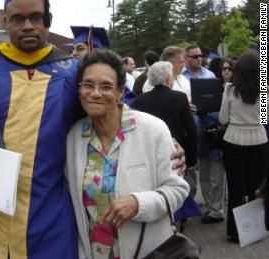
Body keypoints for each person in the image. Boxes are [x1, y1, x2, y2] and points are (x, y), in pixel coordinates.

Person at [0, 1, 186, 258]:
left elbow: (111, 113)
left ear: (49, 20)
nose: (27, 26)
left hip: (48, 217)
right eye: (17, 19)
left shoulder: (70, 73)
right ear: (4, 21)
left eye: (36, 17)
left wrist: (165, 142)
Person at [66, 50, 189, 259]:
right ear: (79, 90)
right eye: (88, 85)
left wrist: (138, 204)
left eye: (106, 86)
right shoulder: (74, 137)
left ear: (121, 91)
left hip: (148, 252)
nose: (95, 93)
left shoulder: (152, 130)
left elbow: (177, 190)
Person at [132, 61, 200, 232]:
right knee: (175, 190)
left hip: (148, 153)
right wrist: (191, 159)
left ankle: (161, 224)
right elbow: (190, 129)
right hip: (175, 154)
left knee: (157, 189)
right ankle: (177, 225)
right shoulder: (179, 97)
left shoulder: (139, 100)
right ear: (169, 79)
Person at [219, 51, 267, 242]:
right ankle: (255, 229)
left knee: (235, 187)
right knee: (257, 187)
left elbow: (223, 118)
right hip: (259, 140)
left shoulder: (230, 90)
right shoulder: (264, 91)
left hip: (233, 140)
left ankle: (235, 231)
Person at [183, 45, 226, 225]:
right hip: (191, 130)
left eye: (201, 56)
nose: (199, 59)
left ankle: (216, 209)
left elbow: (218, 103)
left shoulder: (209, 76)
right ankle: (206, 206)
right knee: (201, 173)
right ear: (186, 58)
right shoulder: (180, 79)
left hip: (210, 127)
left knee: (215, 172)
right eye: (195, 56)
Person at [70, 25, 136, 105]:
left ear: (94, 51)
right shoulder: (70, 76)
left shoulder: (112, 76)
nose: (73, 53)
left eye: (80, 49)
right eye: (72, 49)